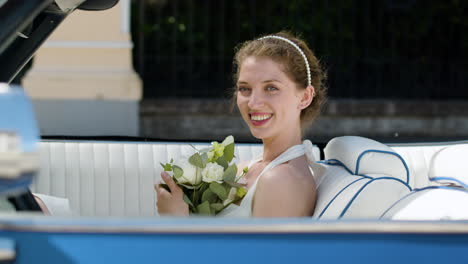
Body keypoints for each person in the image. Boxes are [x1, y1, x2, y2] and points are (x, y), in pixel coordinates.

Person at [155, 31, 327, 217]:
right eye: (245, 89)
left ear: (305, 97)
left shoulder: (282, 180)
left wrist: (178, 221)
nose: (253, 103)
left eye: (271, 88)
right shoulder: (248, 167)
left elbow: (254, 248)